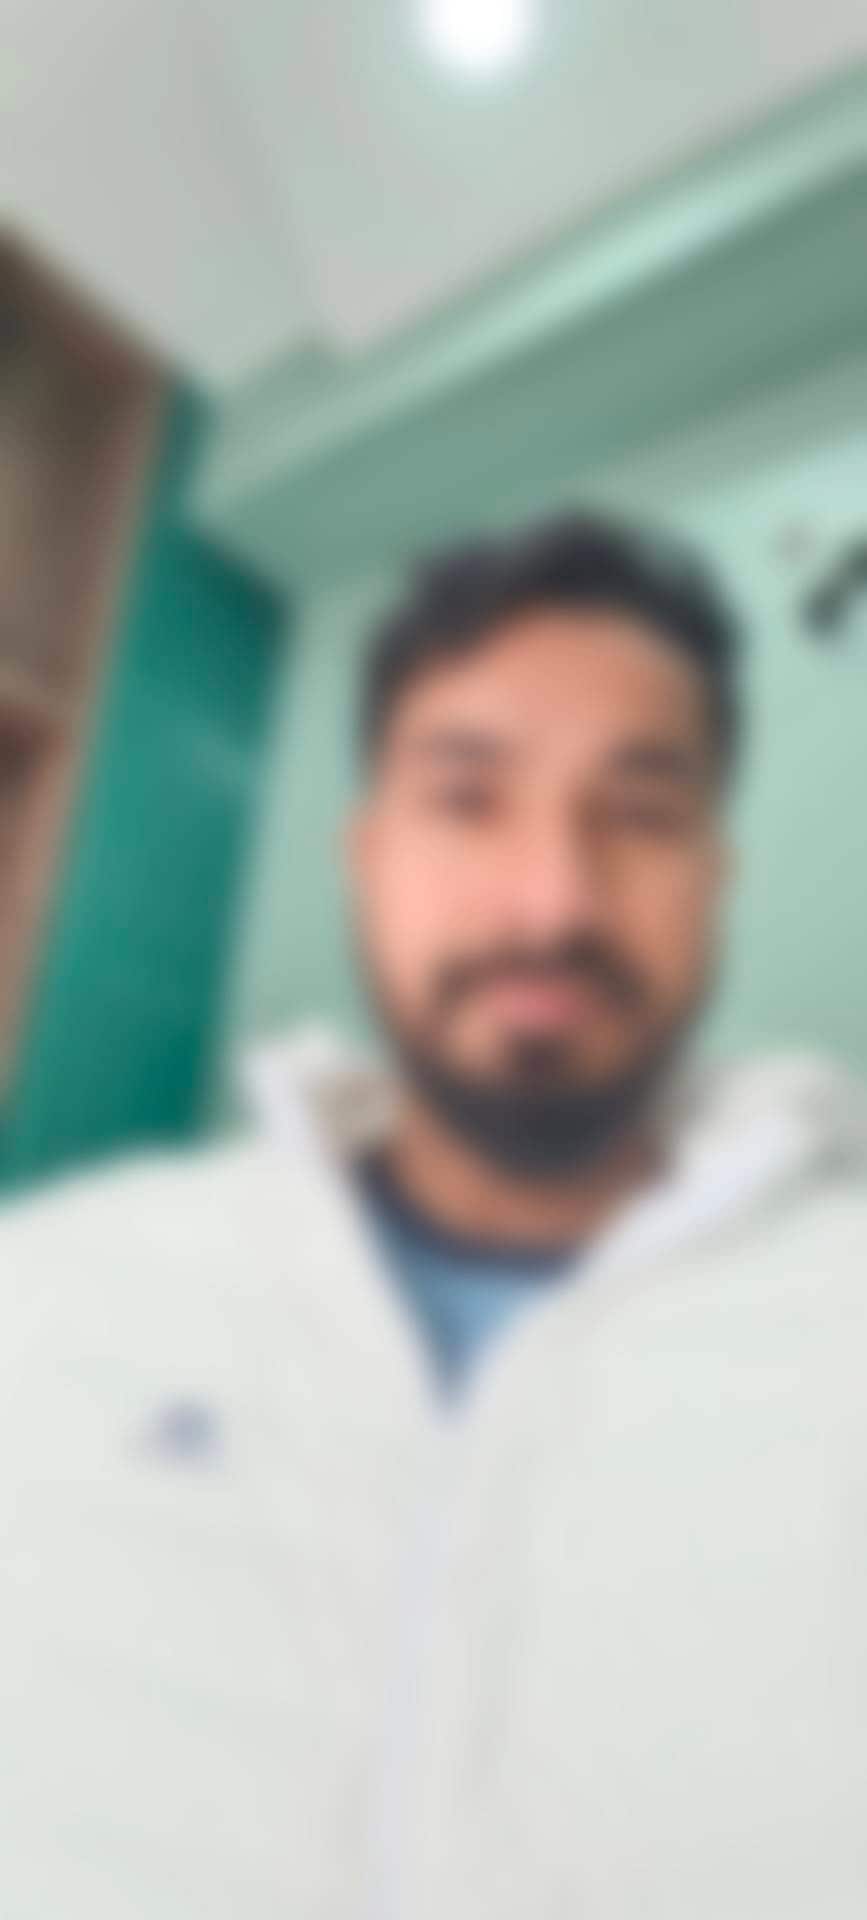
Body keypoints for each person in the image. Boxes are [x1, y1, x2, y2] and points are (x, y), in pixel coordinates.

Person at [1, 514, 866, 1919]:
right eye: (468, 801)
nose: (553, 900)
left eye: (642, 814)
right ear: (366, 854)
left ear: (714, 874)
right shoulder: (53, 1296)